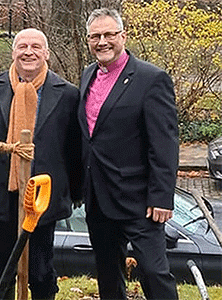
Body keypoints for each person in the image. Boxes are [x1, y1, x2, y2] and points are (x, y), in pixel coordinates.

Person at [0, 28, 82, 300]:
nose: (28, 52)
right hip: (1, 199)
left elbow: (75, 149)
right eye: (22, 46)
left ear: (46, 54)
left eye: (35, 47)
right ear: (13, 51)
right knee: (0, 270)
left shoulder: (67, 94)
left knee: (41, 272)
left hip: (43, 199)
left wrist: (75, 192)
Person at [79, 8, 179, 300]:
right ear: (88, 40)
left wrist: (162, 196)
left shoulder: (151, 79)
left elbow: (165, 142)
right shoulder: (88, 75)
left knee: (154, 272)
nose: (102, 41)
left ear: (123, 36)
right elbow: (90, 138)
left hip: (139, 200)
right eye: (95, 36)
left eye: (109, 34)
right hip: (98, 198)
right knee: (108, 274)